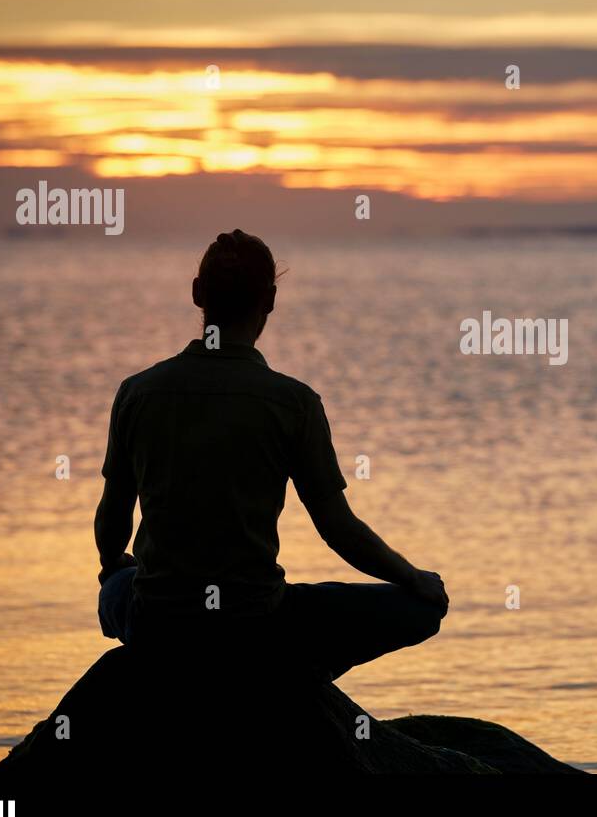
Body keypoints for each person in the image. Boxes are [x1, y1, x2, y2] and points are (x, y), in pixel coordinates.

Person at [93, 229, 447, 681]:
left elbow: (112, 521)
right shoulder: (294, 403)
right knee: (421, 610)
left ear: (198, 292)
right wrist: (414, 578)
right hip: (255, 623)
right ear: (271, 300)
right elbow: (338, 530)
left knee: (116, 586)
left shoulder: (137, 393)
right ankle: (292, 677)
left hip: (158, 624)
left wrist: (112, 565)